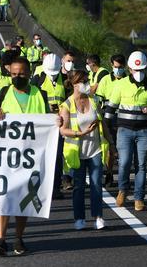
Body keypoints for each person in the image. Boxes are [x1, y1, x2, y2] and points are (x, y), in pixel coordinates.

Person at [0, 57, 51, 256]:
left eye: (21, 74)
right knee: (4, 197)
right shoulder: (2, 92)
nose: (17, 77)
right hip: (6, 155)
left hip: (31, 155)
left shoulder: (40, 94)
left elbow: (48, 120)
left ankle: (18, 238)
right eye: (13, 74)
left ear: (29, 74)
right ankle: (0, 239)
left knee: (24, 199)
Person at [106, 51, 147, 212]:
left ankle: (139, 198)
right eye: (136, 70)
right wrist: (108, 130)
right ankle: (123, 190)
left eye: (141, 69)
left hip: (144, 131)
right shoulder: (120, 84)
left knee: (141, 166)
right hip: (124, 131)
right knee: (124, 163)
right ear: (130, 69)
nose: (138, 73)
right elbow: (111, 108)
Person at [60, 71, 107, 230]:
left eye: (87, 81)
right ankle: (79, 218)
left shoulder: (93, 101)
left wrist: (110, 145)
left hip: (94, 149)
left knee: (96, 184)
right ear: (75, 84)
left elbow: (102, 123)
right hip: (76, 153)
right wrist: (81, 134)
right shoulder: (67, 105)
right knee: (79, 186)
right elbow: (63, 130)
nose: (87, 84)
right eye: (83, 81)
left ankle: (98, 216)